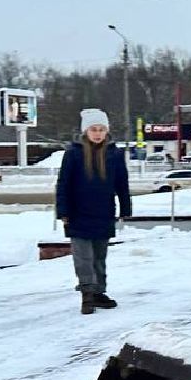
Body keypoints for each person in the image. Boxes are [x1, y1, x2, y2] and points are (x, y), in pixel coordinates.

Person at [55, 109, 131, 315]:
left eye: (101, 129)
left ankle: (99, 292)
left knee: (99, 256)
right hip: (77, 213)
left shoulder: (115, 154)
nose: (98, 133)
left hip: (104, 213)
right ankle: (87, 294)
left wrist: (126, 208)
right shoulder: (73, 153)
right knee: (83, 257)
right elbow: (63, 184)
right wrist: (63, 211)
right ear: (85, 131)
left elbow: (122, 184)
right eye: (93, 129)